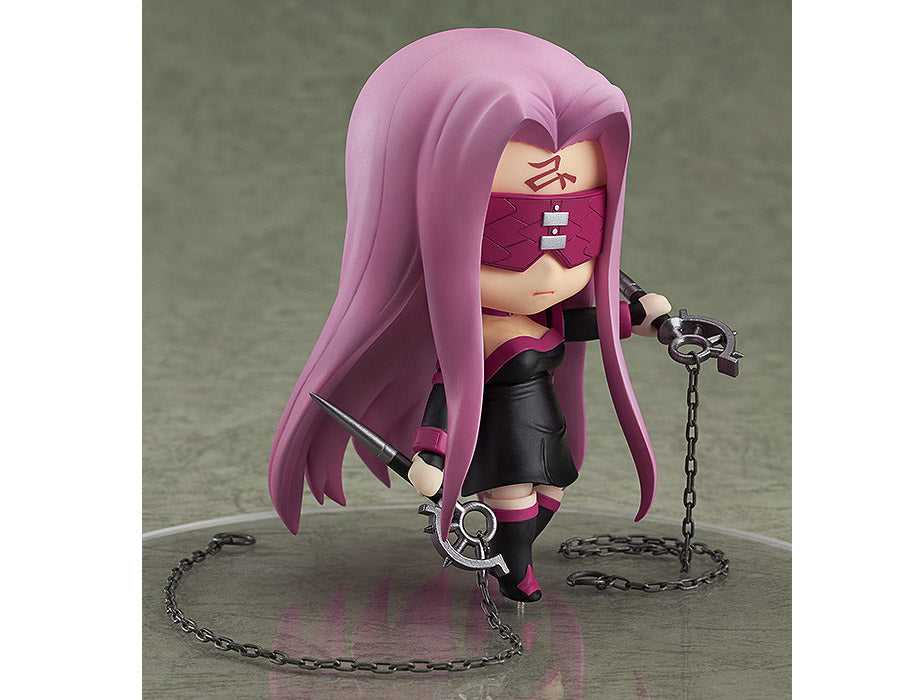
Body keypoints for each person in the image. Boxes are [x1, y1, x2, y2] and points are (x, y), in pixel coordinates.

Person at [269, 28, 670, 602]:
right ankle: (516, 571)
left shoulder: (542, 318)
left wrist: (636, 321)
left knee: (551, 492)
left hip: (542, 423)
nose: (548, 267)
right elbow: (445, 392)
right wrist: (430, 456)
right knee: (516, 499)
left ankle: (509, 551)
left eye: (579, 229)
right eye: (509, 233)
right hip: (499, 433)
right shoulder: (471, 340)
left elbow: (577, 326)